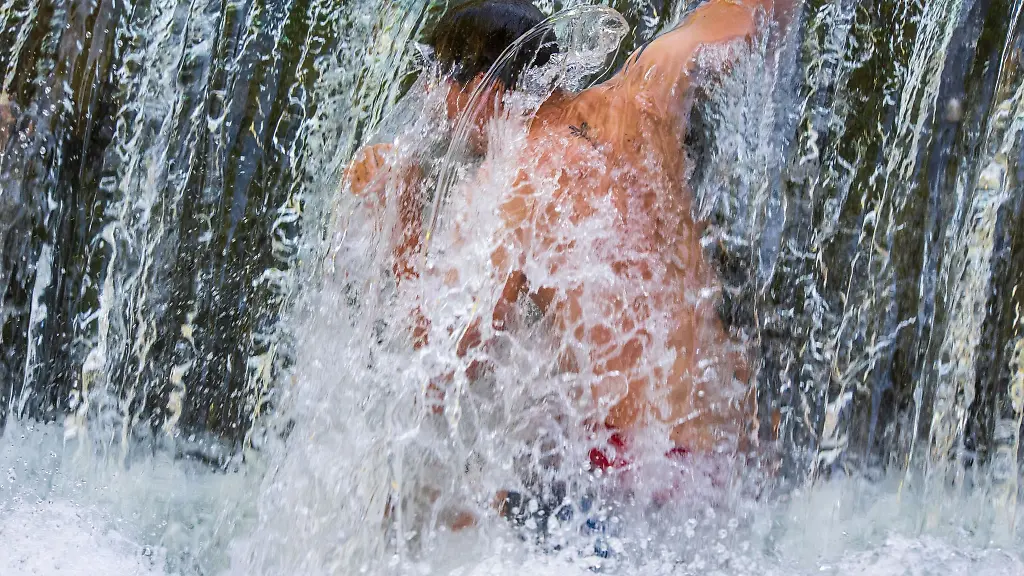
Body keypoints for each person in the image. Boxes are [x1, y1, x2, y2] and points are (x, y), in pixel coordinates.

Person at [345, 0, 784, 499]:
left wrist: (399, 216)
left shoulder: (510, 181)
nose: (434, 108)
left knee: (449, 513)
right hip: (735, 453)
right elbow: (748, 14)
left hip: (641, 477)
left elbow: (443, 368)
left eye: (440, 87)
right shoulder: (641, 94)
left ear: (484, 92)